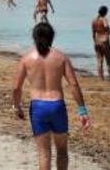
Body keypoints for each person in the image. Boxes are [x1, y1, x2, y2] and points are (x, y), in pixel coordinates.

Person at [12, 22, 91, 170]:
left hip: (38, 107)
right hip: (57, 106)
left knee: (44, 153)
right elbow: (73, 84)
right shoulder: (61, 58)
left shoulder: (26, 58)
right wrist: (82, 110)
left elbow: (16, 87)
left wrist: (17, 107)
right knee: (62, 150)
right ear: (52, 37)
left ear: (34, 37)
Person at [92, 6, 110, 81]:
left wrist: (95, 41)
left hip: (97, 42)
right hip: (104, 42)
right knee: (109, 61)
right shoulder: (104, 19)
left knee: (99, 61)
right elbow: (107, 27)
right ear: (105, 12)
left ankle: (100, 79)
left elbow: (93, 33)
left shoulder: (94, 20)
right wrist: (108, 31)